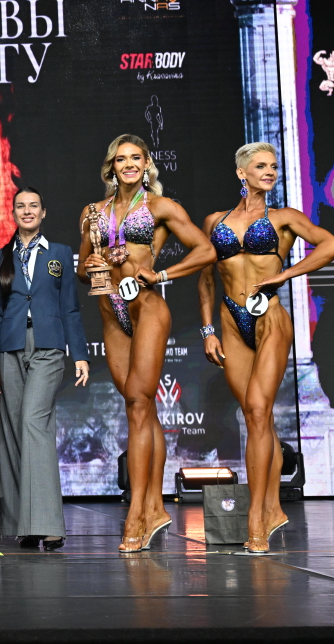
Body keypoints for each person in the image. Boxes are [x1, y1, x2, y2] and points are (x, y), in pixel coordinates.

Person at [198, 143, 334, 553]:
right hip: (230, 319)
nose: (270, 172)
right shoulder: (215, 221)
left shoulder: (284, 218)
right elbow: (206, 278)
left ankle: (257, 516)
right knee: (255, 418)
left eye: (274, 166)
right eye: (261, 166)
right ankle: (274, 508)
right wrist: (208, 330)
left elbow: (330, 245)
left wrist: (285, 274)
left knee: (260, 411)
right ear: (241, 172)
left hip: (270, 318)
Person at [77, 135, 215, 553]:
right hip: (111, 312)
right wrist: (92, 264)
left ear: (147, 164)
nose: (129, 164)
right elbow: (82, 269)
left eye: (136, 158)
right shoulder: (93, 212)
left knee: (139, 404)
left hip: (147, 308)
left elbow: (206, 250)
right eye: (121, 159)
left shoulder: (160, 207)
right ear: (111, 167)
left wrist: (163, 275)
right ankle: (155, 507)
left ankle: (137, 511)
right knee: (139, 407)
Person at [0, 187, 90, 551]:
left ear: (44, 212)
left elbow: (70, 308)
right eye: (21, 206)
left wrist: (79, 354)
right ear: (13, 212)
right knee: (15, 430)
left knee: (34, 422)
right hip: (9, 347)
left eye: (34, 205)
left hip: (48, 346)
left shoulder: (60, 253)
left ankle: (48, 523)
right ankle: (23, 524)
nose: (27, 210)